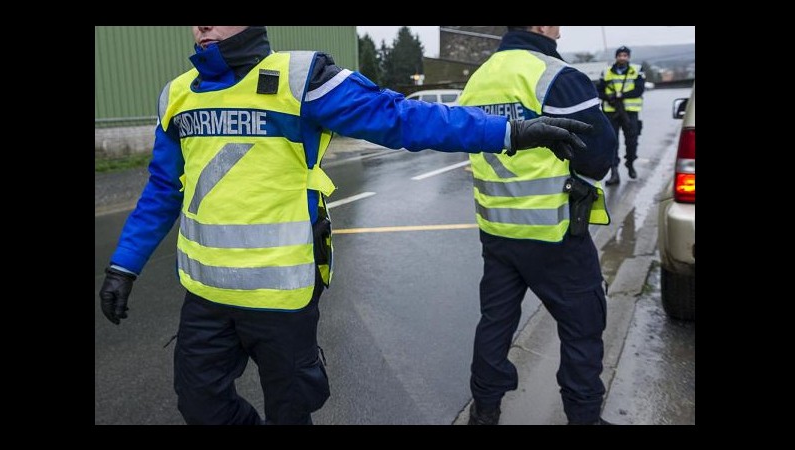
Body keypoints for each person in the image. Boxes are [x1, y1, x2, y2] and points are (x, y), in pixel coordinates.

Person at [97, 26, 594, 426]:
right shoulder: (177, 96)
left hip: (282, 299)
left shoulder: (300, 79)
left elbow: (402, 118)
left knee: (290, 413)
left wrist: (507, 131)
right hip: (205, 298)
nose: (202, 25)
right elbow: (163, 190)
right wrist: (124, 266)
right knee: (199, 406)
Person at [458, 26, 618, 425]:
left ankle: (485, 411)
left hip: (497, 230)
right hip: (554, 232)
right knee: (583, 325)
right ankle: (584, 417)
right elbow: (597, 159)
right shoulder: (556, 77)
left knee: (495, 325)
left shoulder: (478, 79)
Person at [598, 45, 646, 185]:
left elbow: (639, 90)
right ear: (616, 57)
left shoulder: (636, 70)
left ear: (628, 57)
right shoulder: (606, 72)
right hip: (611, 112)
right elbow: (598, 91)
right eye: (620, 55)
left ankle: (630, 163)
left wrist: (620, 95)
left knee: (632, 142)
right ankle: (614, 173)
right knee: (612, 143)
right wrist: (609, 97)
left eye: (625, 55)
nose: (622, 58)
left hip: (629, 113)